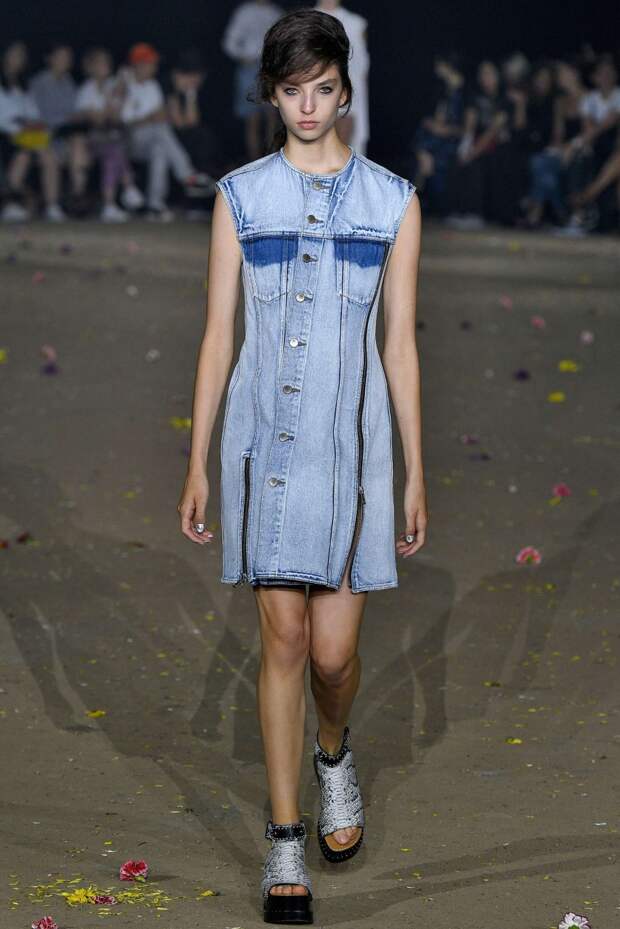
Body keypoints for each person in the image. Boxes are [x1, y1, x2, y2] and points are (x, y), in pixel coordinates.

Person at [176, 8, 426, 924]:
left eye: (323, 88)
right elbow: (218, 336)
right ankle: (285, 841)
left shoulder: (393, 203)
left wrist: (415, 470)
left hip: (353, 449)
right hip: (266, 443)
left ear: (346, 91)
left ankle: (333, 751)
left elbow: (400, 346)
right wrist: (199, 459)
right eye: (292, 90)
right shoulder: (241, 198)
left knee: (333, 656)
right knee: (282, 640)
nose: (309, 105)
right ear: (273, 95)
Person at [119, 42, 214, 221]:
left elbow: (170, 118)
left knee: (160, 149)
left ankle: (155, 205)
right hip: (127, 142)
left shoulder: (153, 86)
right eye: (150, 63)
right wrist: (150, 118)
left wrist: (154, 118)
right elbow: (123, 120)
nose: (154, 67)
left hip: (150, 139)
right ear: (139, 65)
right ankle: (187, 175)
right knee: (160, 129)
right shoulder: (125, 84)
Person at [74, 47, 144, 222]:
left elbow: (116, 116)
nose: (105, 65)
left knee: (114, 154)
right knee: (114, 149)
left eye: (107, 62)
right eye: (100, 62)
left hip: (112, 138)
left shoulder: (112, 85)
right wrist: (111, 102)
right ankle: (128, 187)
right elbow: (97, 120)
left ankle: (110, 205)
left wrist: (120, 94)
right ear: (90, 67)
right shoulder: (86, 90)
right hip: (90, 140)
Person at [29, 44, 92, 219]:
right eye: (61, 56)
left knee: (79, 143)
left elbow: (75, 112)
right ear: (49, 59)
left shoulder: (69, 82)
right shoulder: (38, 83)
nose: (65, 61)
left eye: (68, 57)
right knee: (50, 157)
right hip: (40, 136)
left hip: (63, 136)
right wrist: (65, 120)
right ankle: (52, 205)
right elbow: (34, 115)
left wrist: (79, 117)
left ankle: (77, 198)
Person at [0, 40, 57, 222]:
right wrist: (20, 125)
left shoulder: (24, 85)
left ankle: (52, 206)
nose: (19, 59)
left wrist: (31, 124)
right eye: (15, 54)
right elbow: (5, 118)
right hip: (7, 134)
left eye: (22, 55)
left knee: (48, 155)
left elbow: (34, 114)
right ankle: (11, 203)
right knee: (25, 154)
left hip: (26, 135)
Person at [221, 0, 283, 160]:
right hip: (249, 69)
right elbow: (229, 41)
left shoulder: (275, 12)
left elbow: (283, 42)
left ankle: (271, 161)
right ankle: (253, 164)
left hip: (271, 68)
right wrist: (241, 56)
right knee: (252, 120)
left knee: (272, 117)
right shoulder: (244, 11)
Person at [411, 50, 465, 214]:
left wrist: (442, 129)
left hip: (452, 138)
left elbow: (463, 126)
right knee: (423, 145)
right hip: (439, 136)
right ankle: (418, 199)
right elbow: (439, 117)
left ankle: (417, 200)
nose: (436, 68)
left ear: (447, 66)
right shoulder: (444, 89)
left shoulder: (464, 92)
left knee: (424, 148)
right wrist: (433, 124)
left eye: (439, 65)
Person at [314, 0, 370, 154]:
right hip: (315, 92)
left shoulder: (356, 23)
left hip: (348, 90)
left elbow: (362, 63)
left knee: (347, 143)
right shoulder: (304, 21)